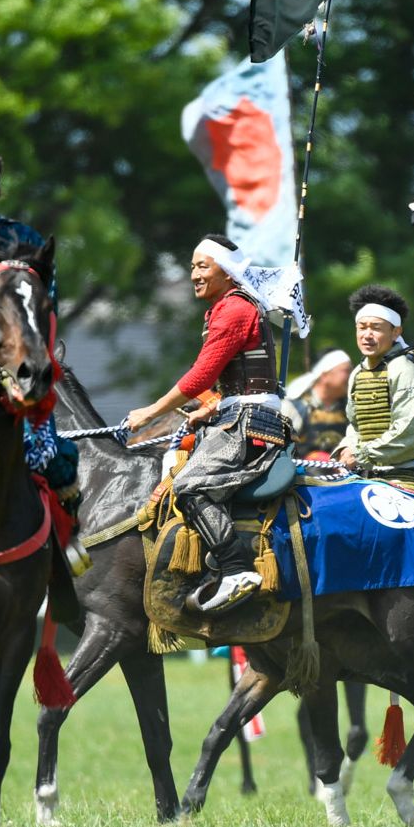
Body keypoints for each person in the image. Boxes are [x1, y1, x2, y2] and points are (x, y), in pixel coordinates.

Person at [127, 234, 287, 614]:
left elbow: (200, 376)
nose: (194, 274)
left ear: (228, 272)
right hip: (233, 415)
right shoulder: (224, 308)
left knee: (189, 486)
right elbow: (226, 382)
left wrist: (149, 412)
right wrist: (211, 408)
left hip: (249, 423)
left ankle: (236, 570)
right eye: (193, 266)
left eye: (203, 266)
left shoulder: (234, 308)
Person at [0, 141, 81, 532]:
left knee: (50, 461)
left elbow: (42, 306)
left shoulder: (19, 239)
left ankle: (67, 557)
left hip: (13, 376)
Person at [332, 283, 414, 490]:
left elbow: (412, 436)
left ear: (396, 332)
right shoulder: (357, 374)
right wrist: (346, 448)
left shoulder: (406, 371)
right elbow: (355, 426)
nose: (367, 335)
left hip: (409, 478)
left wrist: (360, 455)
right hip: (368, 475)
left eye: (376, 328)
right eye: (362, 327)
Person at [282, 348, 352, 460]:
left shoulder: (349, 408)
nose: (351, 376)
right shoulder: (296, 407)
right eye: (345, 371)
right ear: (325, 376)